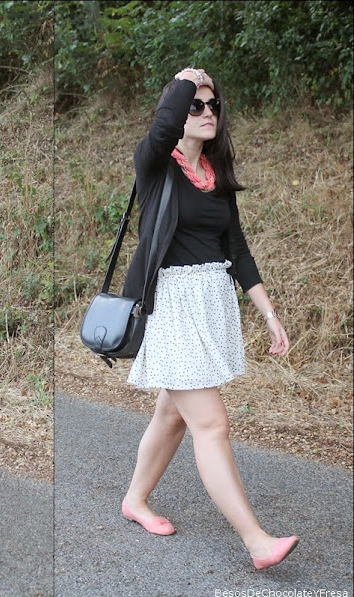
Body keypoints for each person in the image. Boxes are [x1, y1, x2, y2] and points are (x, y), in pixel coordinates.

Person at [120, 67, 299, 569]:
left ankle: (134, 500)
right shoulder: (155, 166)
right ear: (177, 110)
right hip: (173, 309)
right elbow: (161, 131)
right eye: (194, 105)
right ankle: (256, 541)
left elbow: (237, 250)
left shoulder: (216, 175)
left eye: (212, 105)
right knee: (212, 423)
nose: (206, 112)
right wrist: (185, 81)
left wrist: (268, 313)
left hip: (211, 306)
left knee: (172, 414)